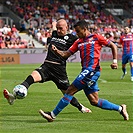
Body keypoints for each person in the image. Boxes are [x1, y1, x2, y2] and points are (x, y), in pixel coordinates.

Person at [39, 20, 129, 122]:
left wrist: (115, 61)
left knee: (70, 90)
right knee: (94, 101)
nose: (77, 34)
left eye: (78, 31)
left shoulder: (96, 37)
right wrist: (56, 51)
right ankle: (121, 109)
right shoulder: (78, 42)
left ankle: (52, 115)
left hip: (92, 70)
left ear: (84, 29)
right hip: (86, 71)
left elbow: (112, 45)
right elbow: (66, 54)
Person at [3, 19, 91, 113]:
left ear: (67, 27)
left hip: (59, 70)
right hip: (47, 66)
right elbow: (54, 28)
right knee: (32, 76)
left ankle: (80, 107)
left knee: (67, 93)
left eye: (61, 28)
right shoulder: (54, 34)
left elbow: (84, 42)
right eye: (57, 28)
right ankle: (13, 96)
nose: (58, 30)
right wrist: (54, 25)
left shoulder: (72, 38)